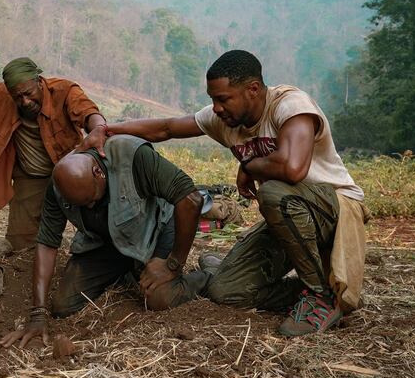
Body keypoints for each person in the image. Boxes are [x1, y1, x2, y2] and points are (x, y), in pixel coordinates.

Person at [80, 50, 369, 337]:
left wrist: (249, 165)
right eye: (212, 99)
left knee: (274, 194)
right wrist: (107, 130)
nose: (216, 108)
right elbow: (166, 129)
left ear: (252, 89)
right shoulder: (225, 120)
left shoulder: (290, 105)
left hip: (335, 210)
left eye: (222, 99)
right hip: (291, 222)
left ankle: (320, 296)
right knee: (226, 291)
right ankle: (326, 292)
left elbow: (293, 169)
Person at [0, 135, 209, 348]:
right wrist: (38, 314)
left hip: (157, 231)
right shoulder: (59, 184)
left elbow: (191, 200)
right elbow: (47, 242)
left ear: (98, 172)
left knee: (158, 299)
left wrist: (172, 264)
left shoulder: (132, 156)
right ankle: (130, 270)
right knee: (64, 305)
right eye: (82, 205)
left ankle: (207, 276)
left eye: (91, 200)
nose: (90, 208)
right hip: (108, 242)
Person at [0, 57, 106, 249]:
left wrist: (98, 128)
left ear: (40, 82)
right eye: (18, 97)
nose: (25, 101)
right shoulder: (1, 95)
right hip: (31, 178)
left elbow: (88, 112)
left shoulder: (64, 91)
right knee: (20, 244)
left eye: (29, 94)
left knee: (97, 231)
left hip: (70, 174)